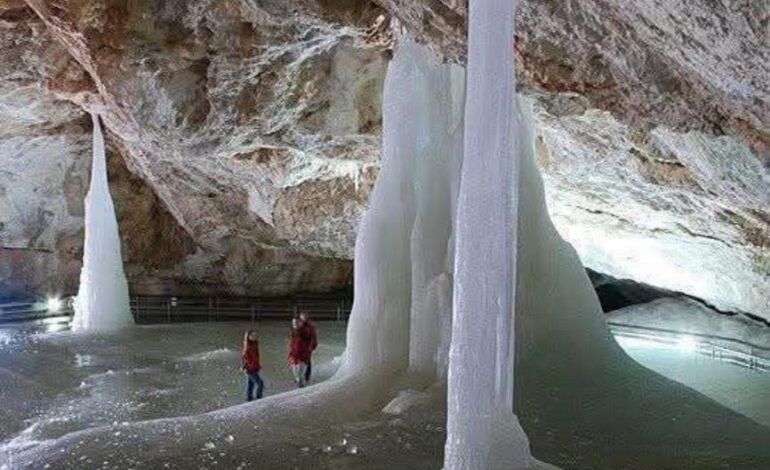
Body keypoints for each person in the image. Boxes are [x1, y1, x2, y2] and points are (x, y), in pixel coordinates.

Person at [288, 317, 312, 388]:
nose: (294, 324)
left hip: (302, 358)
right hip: (294, 357)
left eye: (296, 322)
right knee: (297, 377)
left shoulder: (304, 333)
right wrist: (290, 355)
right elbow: (292, 345)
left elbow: (308, 344)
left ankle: (301, 391)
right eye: (293, 323)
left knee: (300, 377)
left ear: (300, 323)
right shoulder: (293, 333)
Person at [242, 330, 264, 401]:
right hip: (250, 369)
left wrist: (258, 366)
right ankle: (259, 398)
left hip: (254, 368)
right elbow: (244, 357)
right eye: (252, 336)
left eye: (255, 336)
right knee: (260, 383)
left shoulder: (255, 344)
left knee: (250, 384)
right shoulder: (247, 347)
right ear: (248, 337)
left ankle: (249, 398)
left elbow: (256, 357)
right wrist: (245, 366)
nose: (254, 337)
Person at [298, 312, 318, 383]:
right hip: (302, 347)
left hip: (306, 347)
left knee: (307, 362)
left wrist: (312, 346)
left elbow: (313, 337)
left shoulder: (310, 327)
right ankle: (302, 377)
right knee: (302, 362)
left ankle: (306, 377)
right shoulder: (300, 326)